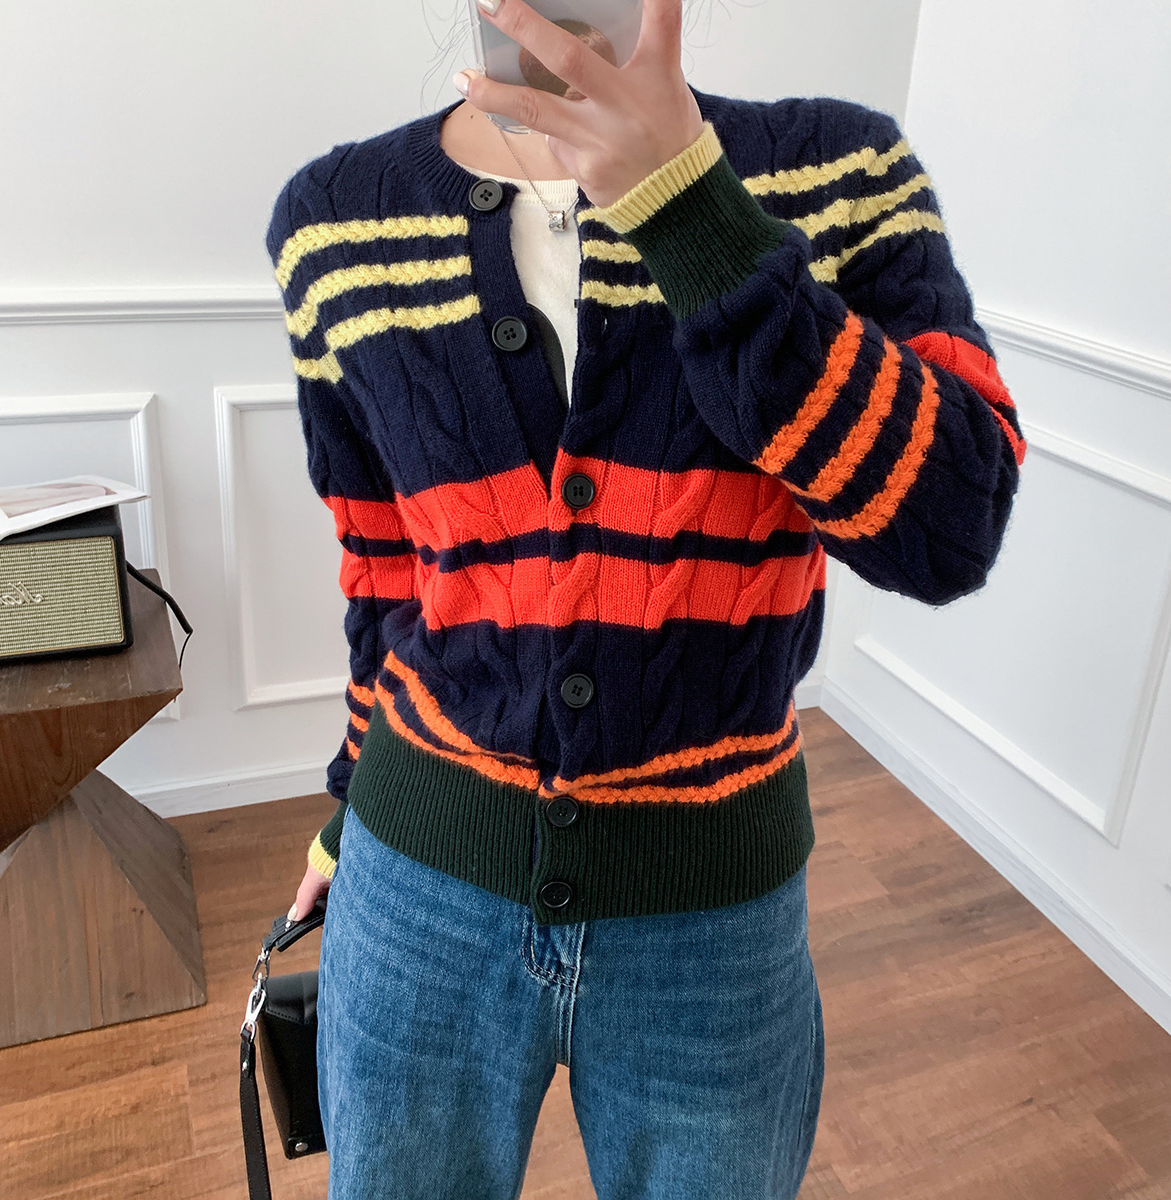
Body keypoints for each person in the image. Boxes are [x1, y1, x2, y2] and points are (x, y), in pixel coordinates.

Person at [267, 0, 1025, 1196]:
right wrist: (348, 808)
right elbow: (385, 575)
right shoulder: (335, 218)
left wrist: (688, 207)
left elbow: (952, 528)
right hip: (419, 893)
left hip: (712, 917)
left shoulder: (839, 172)